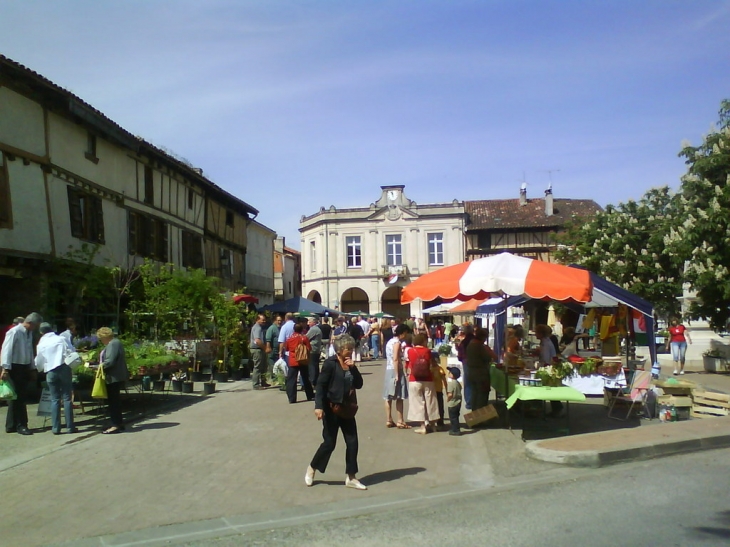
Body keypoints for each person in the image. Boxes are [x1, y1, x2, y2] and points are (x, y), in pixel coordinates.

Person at [306, 334, 366, 490]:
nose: (351, 351)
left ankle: (351, 477)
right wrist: (318, 406)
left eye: (352, 348)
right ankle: (312, 468)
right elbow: (321, 386)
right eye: (348, 349)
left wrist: (353, 368)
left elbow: (359, 384)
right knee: (329, 443)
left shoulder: (350, 364)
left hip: (347, 408)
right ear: (339, 349)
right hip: (331, 409)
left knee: (353, 442)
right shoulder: (330, 364)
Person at [1, 312, 42, 435]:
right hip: (14, 366)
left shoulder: (28, 334)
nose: (35, 328)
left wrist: (32, 368)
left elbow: (29, 352)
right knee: (19, 397)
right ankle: (21, 424)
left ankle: (11, 424)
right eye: (35, 325)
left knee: (17, 397)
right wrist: (5, 368)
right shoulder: (14, 332)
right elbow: (6, 350)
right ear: (30, 323)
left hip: (24, 366)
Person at [35, 323, 76, 435]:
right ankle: (70, 427)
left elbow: (39, 361)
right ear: (52, 329)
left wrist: (40, 369)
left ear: (41, 332)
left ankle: (55, 428)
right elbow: (72, 351)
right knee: (67, 398)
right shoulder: (61, 339)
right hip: (64, 368)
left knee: (55, 399)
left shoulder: (41, 343)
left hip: (51, 371)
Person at [96, 327, 130, 434]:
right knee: (114, 400)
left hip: (113, 377)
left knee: (113, 401)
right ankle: (118, 423)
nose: (101, 341)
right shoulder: (115, 343)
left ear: (104, 337)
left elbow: (110, 361)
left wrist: (98, 366)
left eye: (101, 339)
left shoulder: (113, 344)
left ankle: (115, 425)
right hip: (116, 376)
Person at [405, 334, 440, 434]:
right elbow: (431, 364)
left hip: (414, 379)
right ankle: (433, 425)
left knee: (417, 403)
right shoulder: (427, 351)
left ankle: (422, 426)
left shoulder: (410, 351)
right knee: (431, 401)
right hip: (428, 378)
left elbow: (408, 364)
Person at [383, 324, 410, 429]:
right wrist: (397, 374)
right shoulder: (397, 343)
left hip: (388, 369)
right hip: (395, 369)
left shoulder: (389, 341)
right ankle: (400, 420)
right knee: (399, 396)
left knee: (388, 396)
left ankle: (389, 419)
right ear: (402, 333)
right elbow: (395, 358)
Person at [465, 327, 496, 413]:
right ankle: (480, 416)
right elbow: (487, 358)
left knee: (474, 394)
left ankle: (474, 413)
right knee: (482, 395)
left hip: (471, 371)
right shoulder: (479, 346)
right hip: (480, 373)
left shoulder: (470, 344)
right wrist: (489, 352)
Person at [535, 324, 563, 417]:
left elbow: (546, 357)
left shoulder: (546, 343)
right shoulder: (545, 341)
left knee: (550, 388)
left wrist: (543, 368)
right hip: (548, 366)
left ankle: (557, 408)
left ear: (541, 333)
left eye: (536, 332)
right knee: (550, 388)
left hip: (549, 367)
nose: (535, 334)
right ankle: (556, 407)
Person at [284, 323, 314, 403]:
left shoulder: (290, 338)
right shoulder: (304, 338)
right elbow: (309, 348)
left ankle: (292, 398)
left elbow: (286, 348)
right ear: (302, 329)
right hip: (303, 360)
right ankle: (310, 395)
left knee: (291, 380)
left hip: (293, 360)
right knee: (306, 378)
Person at [455, 324, 474, 409]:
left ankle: (469, 402)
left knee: (468, 382)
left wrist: (457, 347)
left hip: (466, 362)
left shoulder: (465, 341)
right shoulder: (474, 339)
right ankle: (473, 402)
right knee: (473, 383)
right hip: (475, 362)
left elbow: (460, 355)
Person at [249, 313, 269, 389]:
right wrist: (265, 348)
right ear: (257, 320)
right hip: (257, 349)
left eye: (265, 320)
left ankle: (263, 382)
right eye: (262, 320)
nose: (264, 321)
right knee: (257, 367)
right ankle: (256, 384)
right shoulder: (257, 328)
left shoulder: (259, 327)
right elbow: (257, 340)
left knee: (263, 366)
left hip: (260, 349)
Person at [265, 315, 283, 383]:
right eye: (278, 320)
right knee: (272, 365)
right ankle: (274, 378)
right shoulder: (271, 328)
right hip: (272, 350)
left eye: (281, 320)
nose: (279, 322)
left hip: (278, 350)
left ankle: (278, 378)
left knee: (278, 365)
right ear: (274, 321)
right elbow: (268, 339)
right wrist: (268, 347)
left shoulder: (280, 328)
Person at [306, 317, 323, 386]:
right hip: (316, 350)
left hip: (313, 350)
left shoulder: (314, 329)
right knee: (315, 366)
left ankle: (312, 381)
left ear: (314, 322)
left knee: (312, 366)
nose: (308, 323)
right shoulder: (316, 329)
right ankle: (316, 380)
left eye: (309, 322)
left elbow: (306, 337)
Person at [446, 367, 463, 436]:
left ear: (452, 375)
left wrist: (448, 399)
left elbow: (450, 394)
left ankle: (455, 430)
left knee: (452, 418)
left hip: (452, 403)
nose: (448, 373)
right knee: (456, 417)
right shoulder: (458, 383)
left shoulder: (451, 384)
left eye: (450, 372)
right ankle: (455, 429)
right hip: (458, 402)